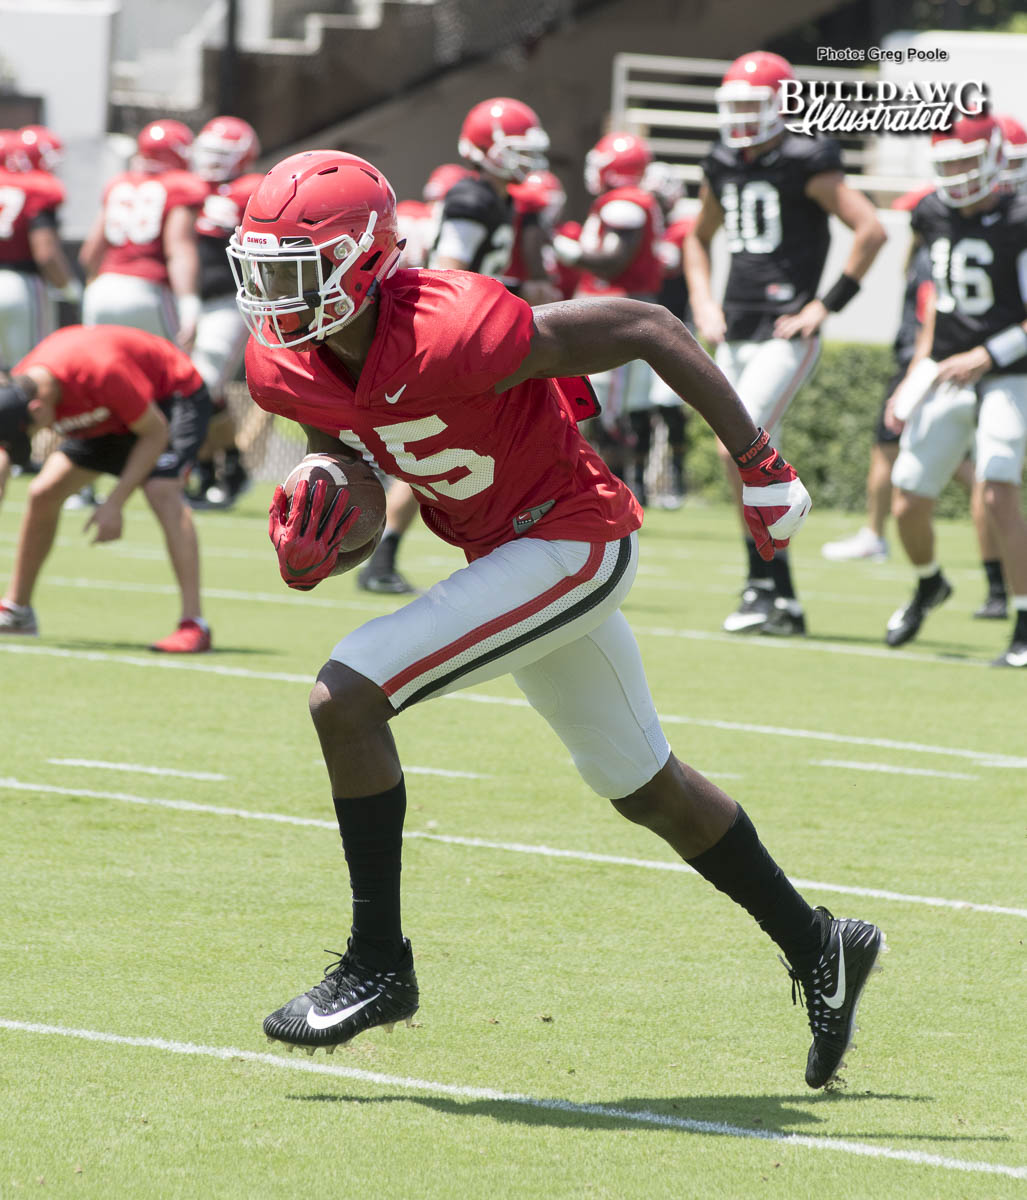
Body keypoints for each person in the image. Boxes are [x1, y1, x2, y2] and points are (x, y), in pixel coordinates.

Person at [227, 149, 885, 1087]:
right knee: (644, 786)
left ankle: (378, 963)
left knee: (345, 698)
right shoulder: (284, 361)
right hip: (504, 555)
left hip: (572, 538)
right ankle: (820, 942)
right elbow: (358, 463)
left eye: (298, 270)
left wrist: (757, 460)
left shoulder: (453, 324)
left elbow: (648, 326)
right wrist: (330, 528)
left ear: (365, 261)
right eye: (264, 268)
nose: (276, 296)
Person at [685, 50, 887, 636]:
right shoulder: (722, 160)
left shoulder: (807, 157)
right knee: (745, 459)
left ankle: (760, 585)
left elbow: (870, 230)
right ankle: (780, 595)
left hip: (784, 329)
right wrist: (702, 301)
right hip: (738, 327)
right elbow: (698, 238)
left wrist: (825, 305)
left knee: (736, 449)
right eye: (737, 106)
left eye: (755, 105)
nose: (743, 118)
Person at [882, 114, 1027, 667]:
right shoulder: (931, 212)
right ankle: (928, 583)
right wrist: (914, 376)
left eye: (969, 160)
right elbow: (936, 309)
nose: (961, 175)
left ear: (993, 158)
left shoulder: (1019, 216)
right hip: (946, 368)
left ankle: (1022, 622)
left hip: (1011, 372)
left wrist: (987, 355)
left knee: (997, 487)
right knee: (908, 497)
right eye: (951, 164)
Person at [0, 324, 213, 652]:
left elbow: (154, 433)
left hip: (169, 399)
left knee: (161, 491)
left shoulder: (101, 372)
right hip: (105, 413)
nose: (34, 438)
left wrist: (114, 503)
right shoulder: (21, 384)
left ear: (38, 409)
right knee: (42, 492)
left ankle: (194, 625)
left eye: (30, 433)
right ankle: (17, 611)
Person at [553, 132, 667, 501]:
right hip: (605, 310)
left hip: (617, 313)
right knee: (587, 403)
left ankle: (612, 492)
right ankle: (593, 489)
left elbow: (614, 260)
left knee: (606, 411)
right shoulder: (623, 201)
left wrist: (566, 251)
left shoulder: (626, 203)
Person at [187, 115, 265, 508]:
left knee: (200, 387)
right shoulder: (187, 188)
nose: (213, 161)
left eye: (223, 154)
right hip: (185, 303)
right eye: (209, 152)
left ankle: (198, 471)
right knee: (203, 393)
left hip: (227, 301)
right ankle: (230, 466)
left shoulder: (252, 189)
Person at [79, 119, 206, 351]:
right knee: (172, 374)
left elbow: (90, 253)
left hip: (102, 292)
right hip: (147, 292)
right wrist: (189, 303)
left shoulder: (119, 183)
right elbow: (179, 250)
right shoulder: (181, 185)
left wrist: (94, 287)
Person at [0, 128, 79, 367]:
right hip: (21, 285)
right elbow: (45, 254)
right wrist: (68, 288)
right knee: (31, 370)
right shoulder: (40, 188)